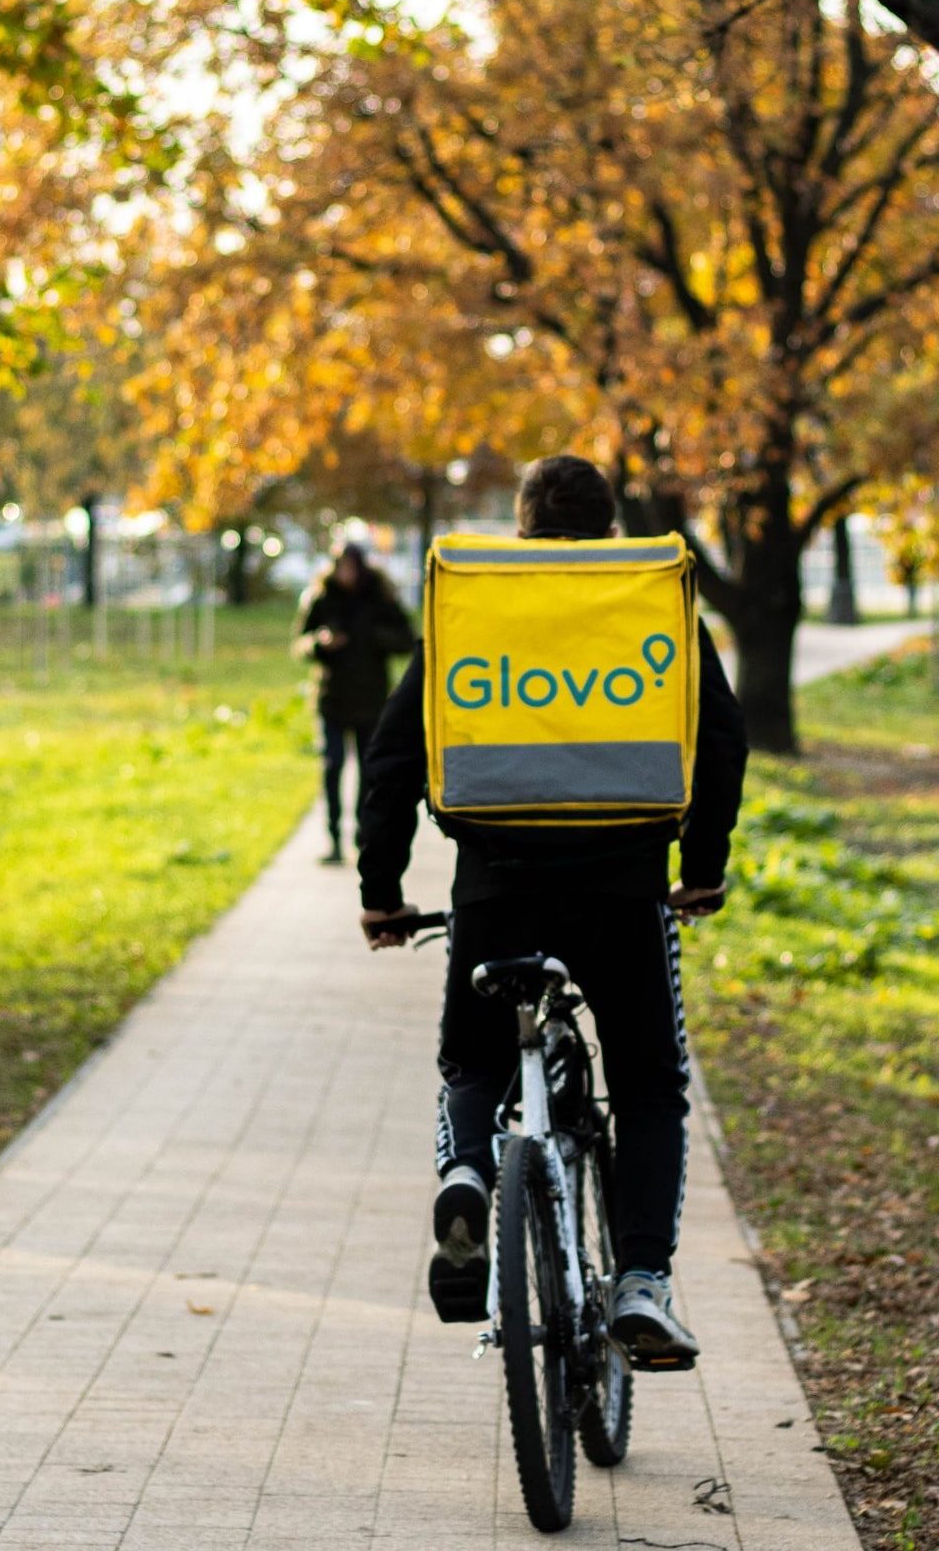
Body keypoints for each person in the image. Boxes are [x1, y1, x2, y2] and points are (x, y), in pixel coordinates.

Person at [356, 456, 748, 1368]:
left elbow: (390, 759)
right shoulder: (654, 606)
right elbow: (721, 739)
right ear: (612, 531)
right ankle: (643, 1280)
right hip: (626, 889)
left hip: (497, 890)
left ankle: (465, 1174)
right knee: (650, 1085)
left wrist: (382, 892)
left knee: (473, 1061)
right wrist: (703, 866)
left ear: (525, 530)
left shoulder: (474, 613)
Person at [294, 542, 415, 866]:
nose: (346, 574)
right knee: (332, 766)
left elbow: (407, 639)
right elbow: (301, 643)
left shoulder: (380, 599)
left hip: (371, 702)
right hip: (331, 699)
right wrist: (320, 643)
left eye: (352, 567)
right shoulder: (321, 598)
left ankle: (364, 835)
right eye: (341, 567)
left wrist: (374, 637)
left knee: (368, 770)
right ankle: (333, 837)